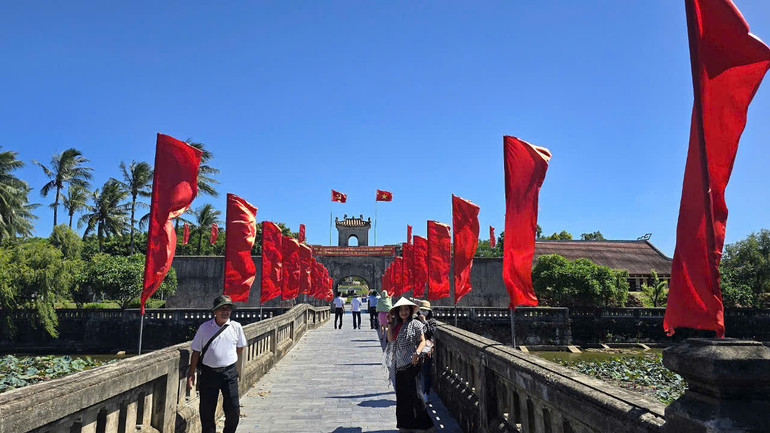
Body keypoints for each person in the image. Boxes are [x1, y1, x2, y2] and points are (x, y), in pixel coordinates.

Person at [187, 295, 247, 433]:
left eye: (228, 309)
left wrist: (228, 359)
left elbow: (240, 347)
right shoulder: (204, 328)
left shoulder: (236, 327)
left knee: (233, 410)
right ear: (215, 311)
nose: (225, 312)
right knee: (207, 412)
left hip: (229, 373)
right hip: (209, 373)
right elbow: (196, 351)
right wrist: (191, 373)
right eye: (222, 309)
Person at [385, 297, 435, 433]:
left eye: (406, 309)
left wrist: (417, 353)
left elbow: (422, 341)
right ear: (397, 312)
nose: (403, 312)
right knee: (402, 396)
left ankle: (426, 425)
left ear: (411, 310)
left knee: (416, 395)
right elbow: (390, 339)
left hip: (413, 364)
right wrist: (389, 323)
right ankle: (405, 425)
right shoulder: (397, 326)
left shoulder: (416, 324)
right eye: (401, 310)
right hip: (399, 365)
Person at [416, 300, 437, 403]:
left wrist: (425, 322)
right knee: (416, 373)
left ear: (429, 312)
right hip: (416, 349)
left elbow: (431, 332)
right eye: (422, 310)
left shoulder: (432, 321)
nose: (423, 313)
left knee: (426, 373)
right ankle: (418, 393)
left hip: (427, 351)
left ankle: (426, 393)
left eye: (426, 311)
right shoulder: (415, 320)